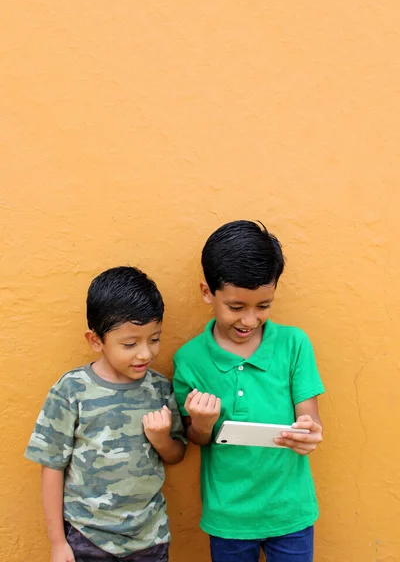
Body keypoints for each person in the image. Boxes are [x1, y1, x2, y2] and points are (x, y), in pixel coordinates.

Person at [173, 220, 324, 562]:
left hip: (290, 511)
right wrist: (201, 422)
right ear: (206, 292)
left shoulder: (293, 344)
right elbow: (195, 438)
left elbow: (309, 416)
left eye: (264, 305)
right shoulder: (190, 360)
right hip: (229, 516)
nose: (249, 320)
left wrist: (309, 432)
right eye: (236, 307)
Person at [25, 266, 186, 562]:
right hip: (87, 539)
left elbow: (176, 454)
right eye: (130, 344)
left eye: (154, 339)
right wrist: (58, 543)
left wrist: (162, 439)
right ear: (95, 340)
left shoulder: (159, 389)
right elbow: (51, 467)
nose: (145, 354)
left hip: (149, 537)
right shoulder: (71, 390)